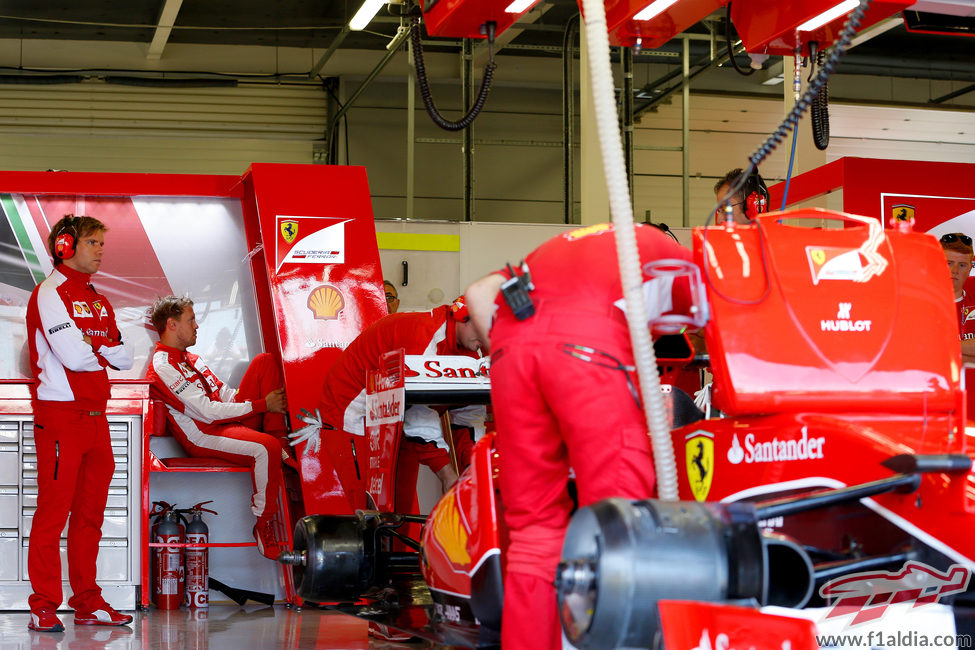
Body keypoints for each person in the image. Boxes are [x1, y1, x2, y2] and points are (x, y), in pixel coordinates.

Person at [464, 222, 692, 650]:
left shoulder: (566, 245)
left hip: (512, 348)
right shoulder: (677, 261)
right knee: (616, 528)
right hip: (588, 347)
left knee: (533, 533)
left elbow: (479, 293)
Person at [25, 215, 134, 632]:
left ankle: (87, 602)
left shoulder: (99, 299)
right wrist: (101, 346)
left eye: (101, 243)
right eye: (92, 242)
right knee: (53, 515)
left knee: (90, 517)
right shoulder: (50, 292)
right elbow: (72, 357)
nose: (101, 250)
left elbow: (125, 358)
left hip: (96, 419)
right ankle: (44, 604)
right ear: (65, 246)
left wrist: (95, 345)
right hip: (59, 419)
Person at [291, 297, 486, 512]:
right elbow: (416, 410)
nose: (487, 336)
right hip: (354, 412)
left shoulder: (475, 349)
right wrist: (447, 474)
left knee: (400, 510)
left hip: (397, 415)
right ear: (462, 318)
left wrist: (472, 471)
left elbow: (468, 416)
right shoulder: (424, 335)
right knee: (369, 510)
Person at [145, 295, 290, 559]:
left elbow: (223, 393)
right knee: (265, 448)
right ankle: (263, 524)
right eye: (191, 320)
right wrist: (260, 405)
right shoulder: (162, 367)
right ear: (172, 324)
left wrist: (252, 403)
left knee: (265, 362)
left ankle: (281, 441)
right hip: (202, 435)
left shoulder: (193, 358)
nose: (197, 325)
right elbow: (208, 413)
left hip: (223, 425)